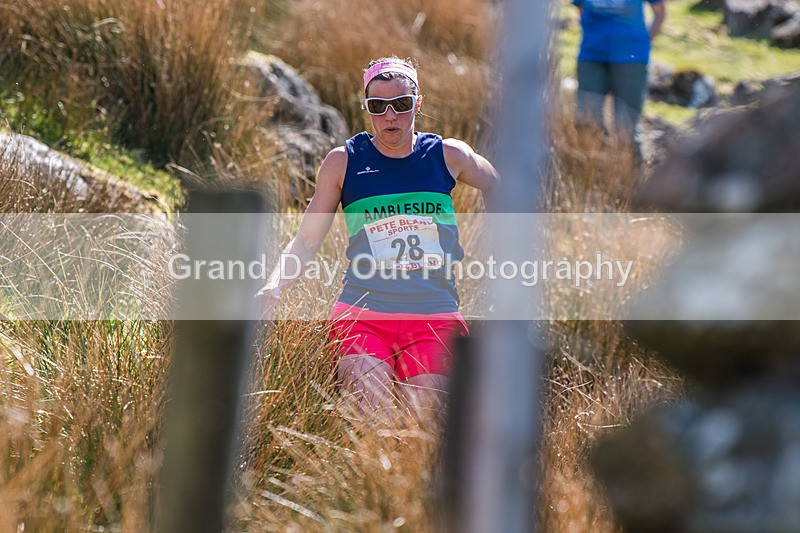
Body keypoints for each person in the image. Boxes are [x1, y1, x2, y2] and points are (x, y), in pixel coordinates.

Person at [258, 56, 498, 416]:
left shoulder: (448, 155)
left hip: (434, 316)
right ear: (366, 107)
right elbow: (306, 241)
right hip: (363, 315)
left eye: (401, 105)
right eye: (378, 106)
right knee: (372, 417)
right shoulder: (344, 162)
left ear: (418, 103)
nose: (390, 116)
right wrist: (273, 287)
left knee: (425, 426)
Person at [573, 0, 666, 157]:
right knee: (587, 120)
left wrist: (643, 42)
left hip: (631, 59)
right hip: (592, 56)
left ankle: (631, 177)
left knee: (627, 128)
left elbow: (660, 11)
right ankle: (592, 173)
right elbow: (581, 8)